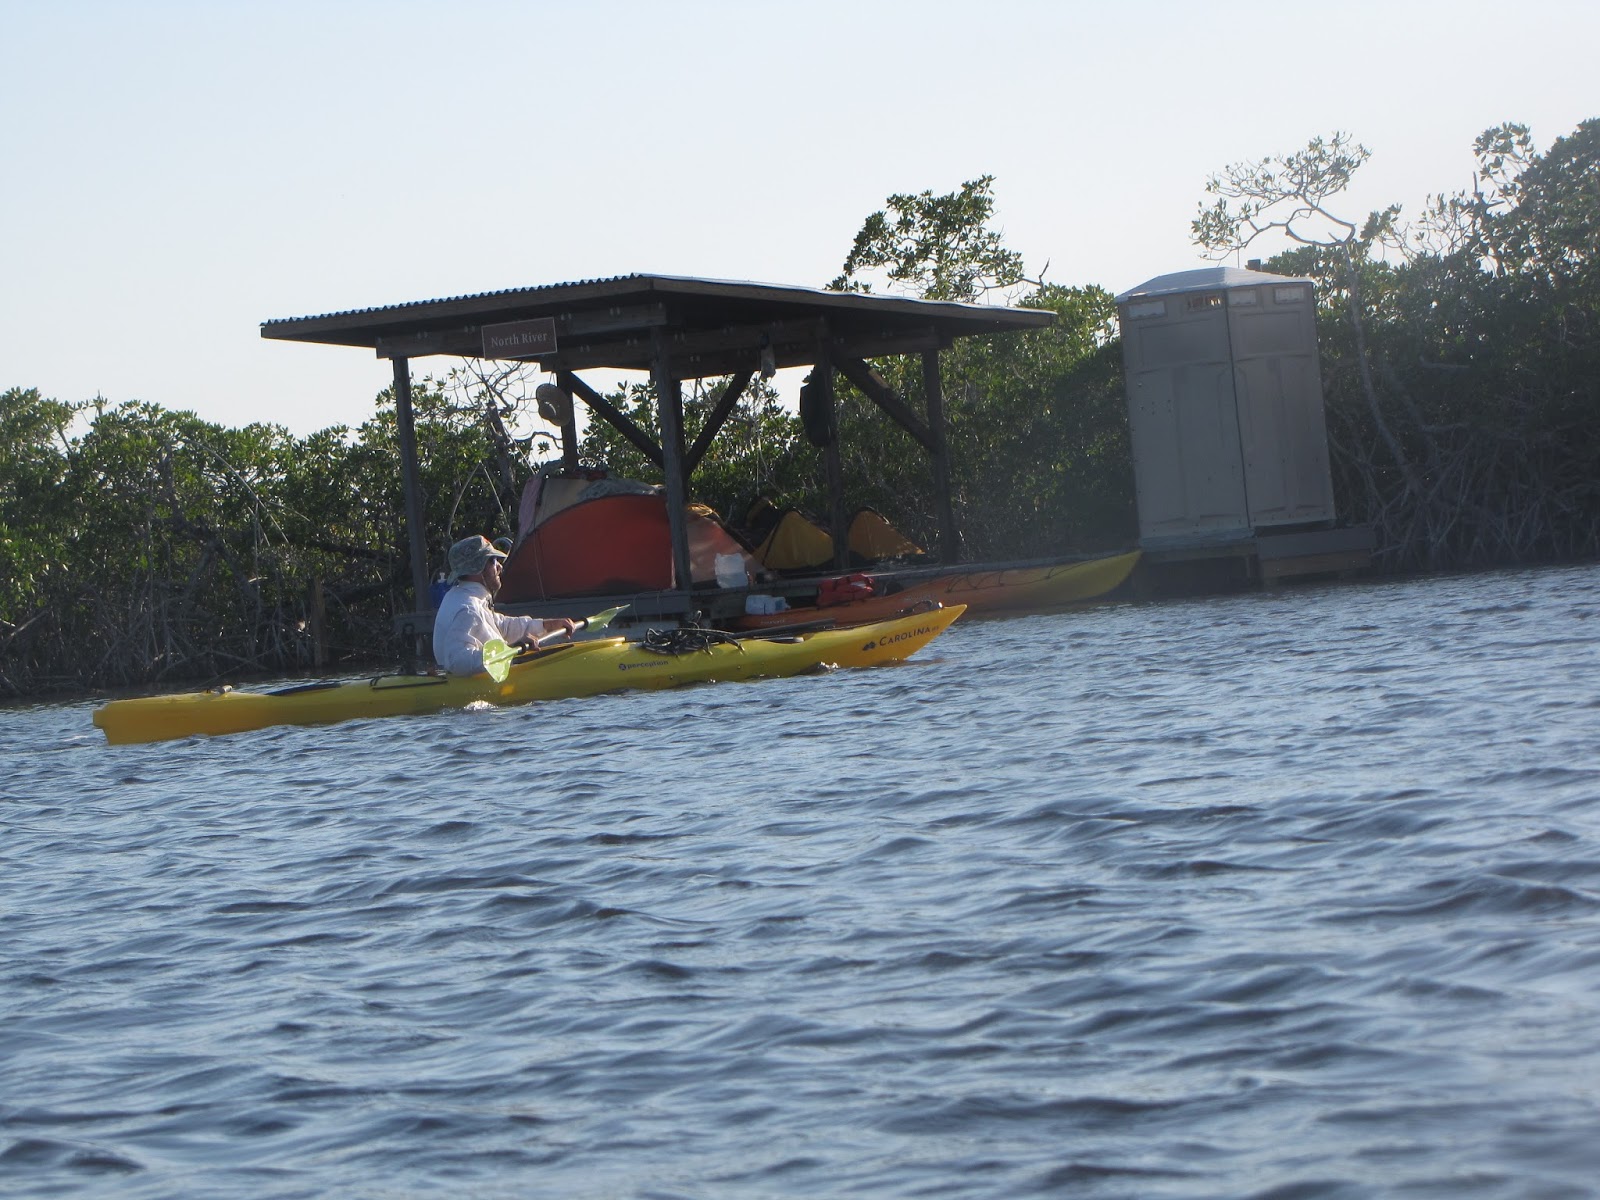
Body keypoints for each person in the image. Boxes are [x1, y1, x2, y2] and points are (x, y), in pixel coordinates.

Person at [431, 535, 575, 675]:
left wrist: (546, 626)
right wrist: (508, 650)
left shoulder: (462, 596)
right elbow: (456, 662)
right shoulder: (468, 610)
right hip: (473, 690)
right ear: (478, 569)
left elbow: (501, 626)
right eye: (493, 561)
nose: (499, 566)